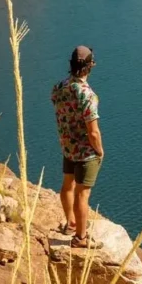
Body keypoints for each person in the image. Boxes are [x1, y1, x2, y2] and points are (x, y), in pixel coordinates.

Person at [51, 45, 104, 249]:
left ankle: (70, 224)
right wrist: (99, 150)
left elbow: (60, 109)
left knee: (67, 185)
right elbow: (93, 132)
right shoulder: (87, 94)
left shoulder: (59, 87)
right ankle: (81, 239)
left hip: (67, 146)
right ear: (90, 66)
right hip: (85, 151)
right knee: (83, 194)